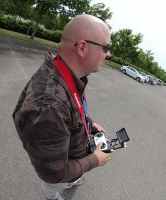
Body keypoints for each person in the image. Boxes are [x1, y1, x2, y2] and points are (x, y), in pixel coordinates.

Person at [13, 14, 112, 200]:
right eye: (106, 47)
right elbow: (54, 173)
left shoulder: (66, 73)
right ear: (82, 47)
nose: (109, 54)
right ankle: (52, 196)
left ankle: (73, 179)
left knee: (69, 178)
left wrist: (89, 123)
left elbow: (74, 108)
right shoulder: (48, 107)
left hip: (71, 158)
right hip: (60, 174)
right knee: (54, 184)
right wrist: (95, 160)